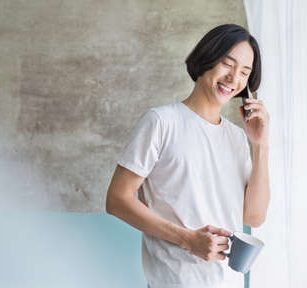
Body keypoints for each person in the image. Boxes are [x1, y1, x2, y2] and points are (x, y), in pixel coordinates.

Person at [105, 24, 270, 288]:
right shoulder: (161, 122)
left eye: (244, 73)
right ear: (207, 58)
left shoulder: (238, 139)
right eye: (228, 64)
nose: (233, 78)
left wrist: (261, 145)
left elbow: (254, 217)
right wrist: (188, 239)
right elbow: (116, 200)